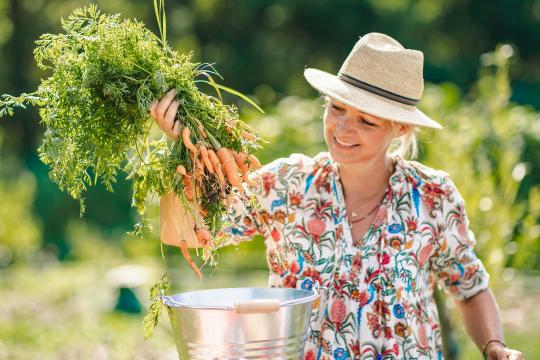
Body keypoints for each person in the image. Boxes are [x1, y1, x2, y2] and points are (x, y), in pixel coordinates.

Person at [150, 33, 523, 360]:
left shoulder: (432, 196)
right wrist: (178, 149)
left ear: (401, 127)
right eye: (338, 108)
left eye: (367, 121)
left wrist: (494, 346)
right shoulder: (286, 184)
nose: (344, 128)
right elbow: (184, 235)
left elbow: (470, 288)